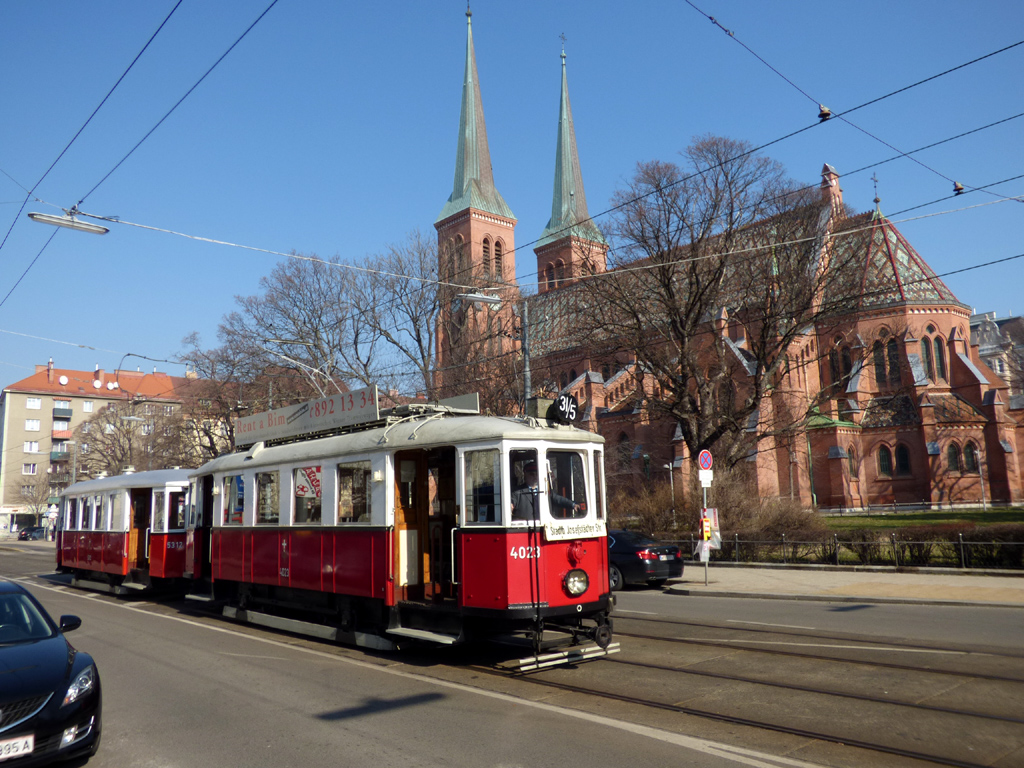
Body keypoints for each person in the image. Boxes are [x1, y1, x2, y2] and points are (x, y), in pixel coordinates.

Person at [511, 462, 576, 521]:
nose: (535, 477)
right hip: (525, 530)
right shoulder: (517, 492)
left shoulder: (546, 491)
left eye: (537, 474)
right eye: (532, 474)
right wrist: (510, 506)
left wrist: (573, 505)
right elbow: (511, 502)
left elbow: (558, 499)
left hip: (543, 527)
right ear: (525, 474)